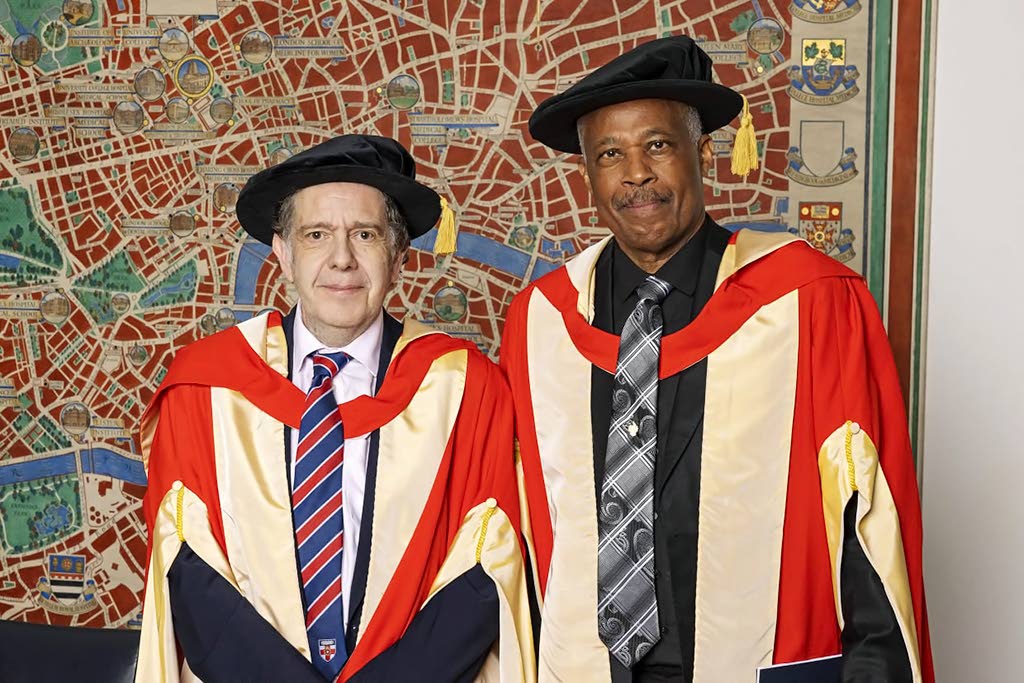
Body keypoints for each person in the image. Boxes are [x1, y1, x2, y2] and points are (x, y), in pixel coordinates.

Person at [500, 36, 932, 682]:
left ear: (703, 154)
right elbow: (529, 541)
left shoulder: (809, 305)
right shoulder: (541, 323)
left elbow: (870, 534)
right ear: (587, 175)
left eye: (658, 145)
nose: (636, 174)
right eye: (610, 154)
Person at [137, 135, 534, 682]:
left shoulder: (467, 390)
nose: (341, 259)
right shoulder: (204, 388)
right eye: (316, 235)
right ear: (282, 253)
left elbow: (487, 568)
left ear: (398, 255)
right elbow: (189, 572)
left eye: (365, 235)